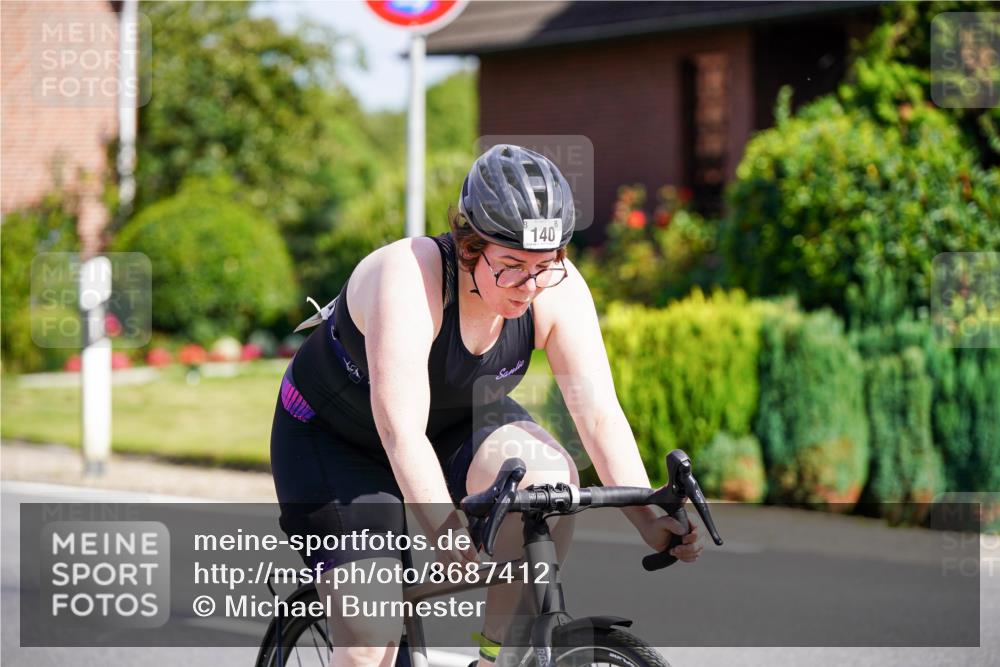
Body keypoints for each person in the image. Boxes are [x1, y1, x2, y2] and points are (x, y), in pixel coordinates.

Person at [270, 144, 703, 667]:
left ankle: (497, 655)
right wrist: (444, 527)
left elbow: (597, 414)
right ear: (470, 245)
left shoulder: (554, 290)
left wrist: (647, 514)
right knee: (370, 644)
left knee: (549, 481)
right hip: (337, 439)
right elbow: (400, 431)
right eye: (513, 266)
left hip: (453, 424)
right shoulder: (409, 276)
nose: (531, 285)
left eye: (547, 265)